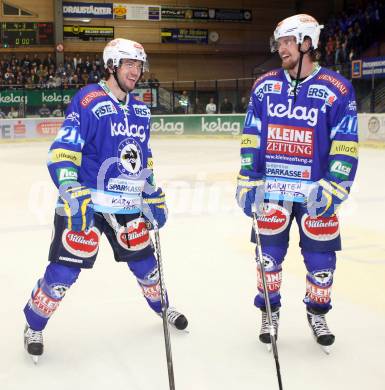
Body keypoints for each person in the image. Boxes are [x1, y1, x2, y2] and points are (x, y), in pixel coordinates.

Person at [23, 38, 188, 362]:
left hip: (126, 205)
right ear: (111, 65)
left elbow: (143, 158)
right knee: (63, 272)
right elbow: (62, 151)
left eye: (139, 65)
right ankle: (33, 325)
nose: (136, 71)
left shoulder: (140, 110)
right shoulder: (89, 99)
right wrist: (72, 190)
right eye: (129, 64)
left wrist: (150, 192)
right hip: (87, 203)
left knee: (146, 267)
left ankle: (162, 307)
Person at [236, 14, 358, 353]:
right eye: (279, 42)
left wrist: (335, 187)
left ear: (307, 42)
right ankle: (269, 312)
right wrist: (248, 179)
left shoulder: (337, 89)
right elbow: (252, 137)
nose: (281, 48)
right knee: (268, 258)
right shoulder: (264, 86)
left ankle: (317, 313)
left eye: (288, 41)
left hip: (316, 194)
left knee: (321, 264)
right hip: (272, 190)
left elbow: (345, 144)